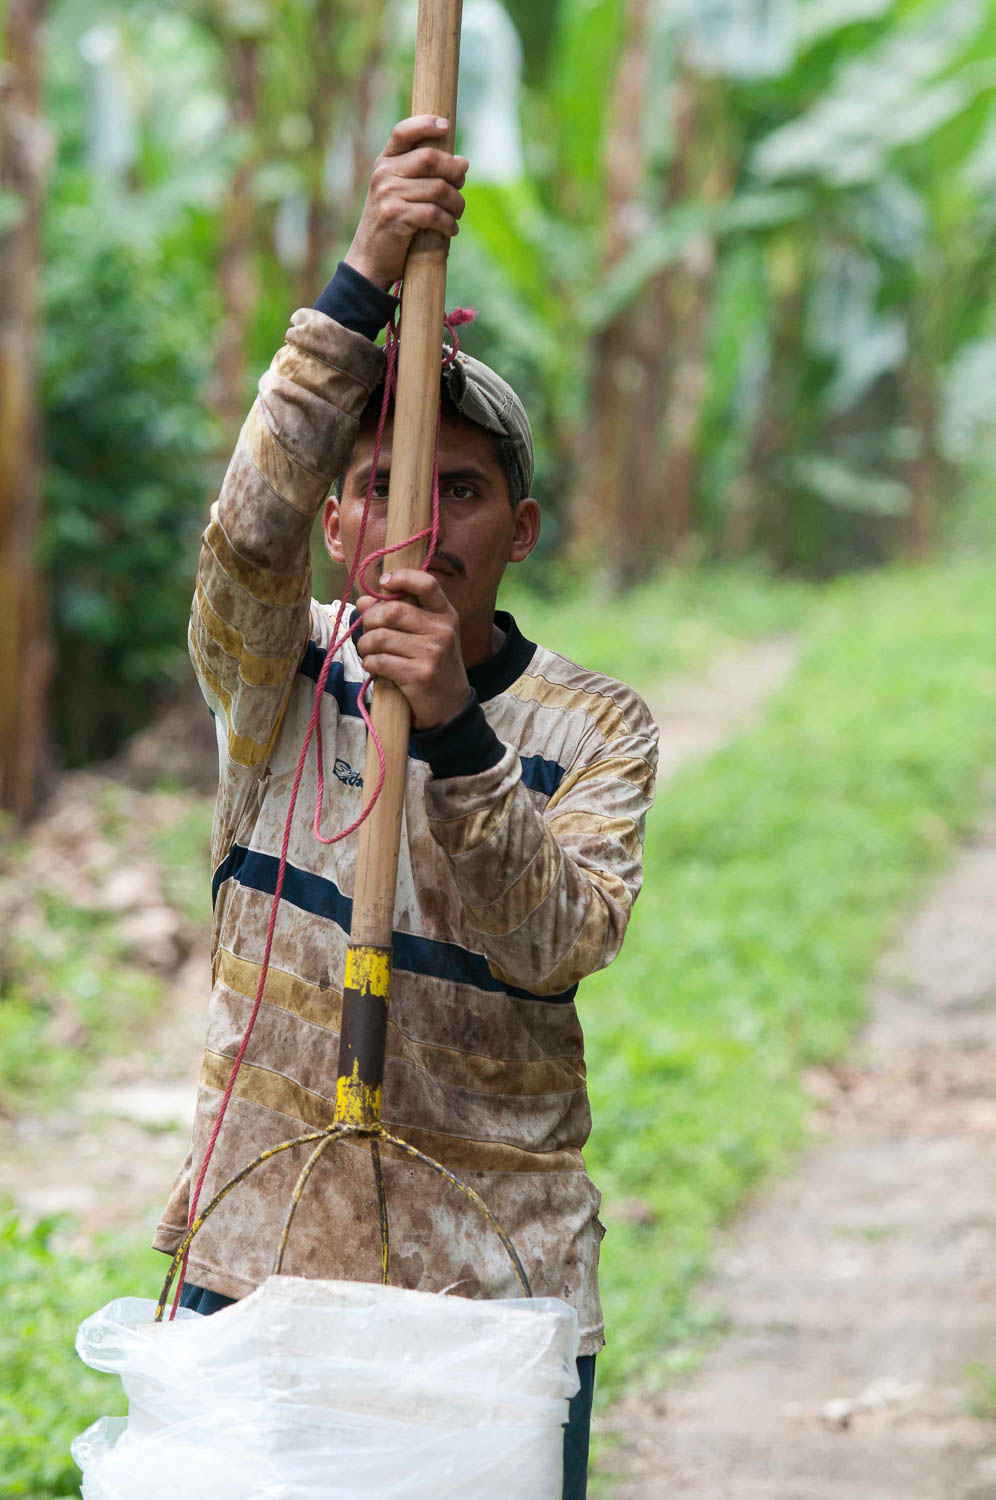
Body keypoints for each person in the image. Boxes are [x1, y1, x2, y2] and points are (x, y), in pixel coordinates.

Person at [154, 116, 658, 1499]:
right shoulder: (277, 677)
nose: (418, 527)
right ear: (337, 520)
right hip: (260, 1258)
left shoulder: (592, 726)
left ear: (523, 527)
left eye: (463, 492)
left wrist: (454, 731)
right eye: (382, 488)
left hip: (488, 1291)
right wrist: (365, 276)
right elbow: (241, 535)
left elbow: (553, 940)